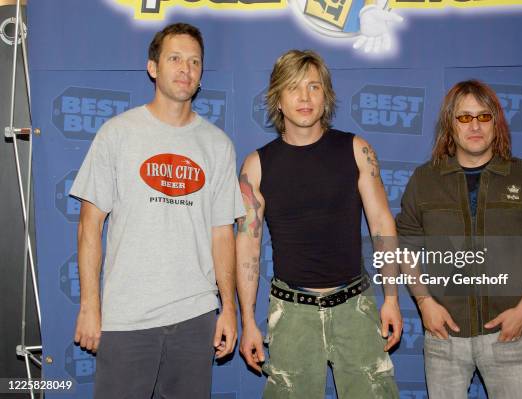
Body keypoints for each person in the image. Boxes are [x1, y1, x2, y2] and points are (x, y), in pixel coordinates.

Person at [70, 22, 244, 398]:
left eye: (194, 62)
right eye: (175, 59)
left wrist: (228, 308)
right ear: (153, 67)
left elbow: (222, 234)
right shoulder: (117, 134)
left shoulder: (218, 146)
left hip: (195, 318)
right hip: (127, 318)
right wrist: (89, 306)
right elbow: (89, 226)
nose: (186, 69)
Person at [236, 49, 402, 398]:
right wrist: (248, 320)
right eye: (294, 87)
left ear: (325, 96)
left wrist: (391, 298)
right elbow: (247, 247)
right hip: (291, 314)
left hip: (355, 308)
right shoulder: (256, 166)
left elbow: (381, 224)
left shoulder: (357, 150)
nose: (304, 97)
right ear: (277, 99)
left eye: (314, 87)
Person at [396, 80, 522, 399]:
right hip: (444, 336)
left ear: (495, 123)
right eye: (464, 117)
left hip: (507, 335)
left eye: (484, 117)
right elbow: (406, 247)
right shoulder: (424, 180)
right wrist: (424, 302)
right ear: (449, 124)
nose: (474, 126)